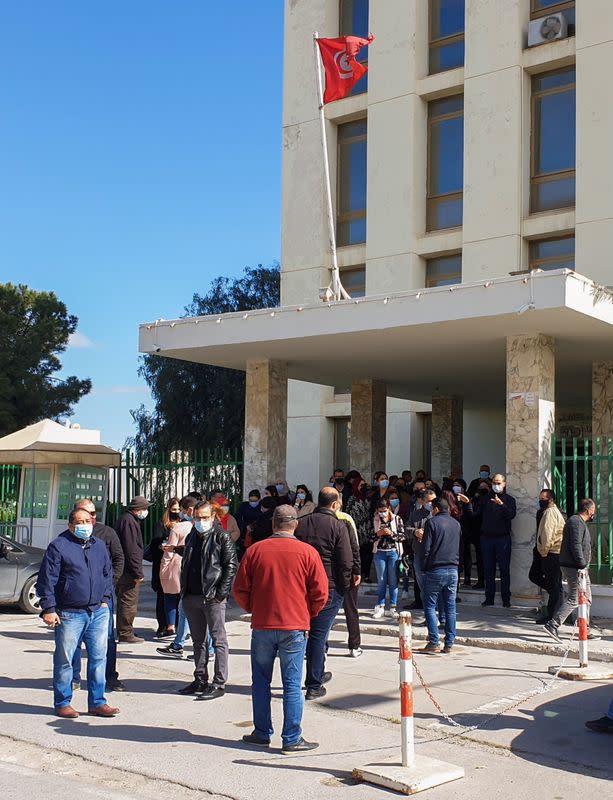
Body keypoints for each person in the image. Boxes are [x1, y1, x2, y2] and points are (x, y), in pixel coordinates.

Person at [233, 505, 328, 753]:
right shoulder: (308, 553)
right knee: (292, 685)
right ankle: (291, 737)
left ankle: (262, 732)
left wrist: (254, 607)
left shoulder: (255, 550)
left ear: (273, 523)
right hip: (295, 626)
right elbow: (320, 593)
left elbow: (240, 588)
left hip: (263, 625)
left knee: (261, 681)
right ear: (295, 524)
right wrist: (309, 614)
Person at [36, 508, 118, 718]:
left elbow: (107, 574)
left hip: (98, 611)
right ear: (71, 525)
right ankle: (63, 702)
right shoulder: (59, 546)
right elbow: (47, 580)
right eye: (79, 522)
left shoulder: (98, 545)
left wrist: (105, 600)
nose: (85, 526)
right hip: (69, 613)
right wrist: (49, 608)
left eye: (88, 521)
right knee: (65, 659)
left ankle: (98, 702)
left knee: (99, 657)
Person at [296, 487, 353, 699]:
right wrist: (343, 586)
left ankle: (316, 673)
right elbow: (346, 561)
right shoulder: (338, 526)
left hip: (304, 585)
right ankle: (313, 684)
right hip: (328, 586)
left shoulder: (301, 523)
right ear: (335, 504)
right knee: (319, 635)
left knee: (310, 633)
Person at [176, 500, 237, 698]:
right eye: (197, 518)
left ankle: (219, 683)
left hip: (212, 597)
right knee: (197, 640)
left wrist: (220, 593)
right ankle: (200, 679)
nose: (201, 521)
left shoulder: (222, 536)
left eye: (205, 517)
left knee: (218, 640)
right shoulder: (193, 535)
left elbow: (230, 566)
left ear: (213, 517)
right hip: (191, 596)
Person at [72, 499, 125, 693]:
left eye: (94, 514)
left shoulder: (107, 533)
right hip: (75, 600)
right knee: (74, 640)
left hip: (103, 599)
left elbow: (119, 559)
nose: (91, 519)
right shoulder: (66, 538)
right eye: (87, 514)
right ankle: (73, 677)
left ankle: (109, 677)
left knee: (107, 640)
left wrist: (109, 585)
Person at [545, 499, 596, 643]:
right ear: (588, 510)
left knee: (587, 598)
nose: (594, 513)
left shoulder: (579, 522)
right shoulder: (575, 522)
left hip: (578, 567)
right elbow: (575, 545)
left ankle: (584, 629)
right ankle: (552, 624)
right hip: (574, 567)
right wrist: (581, 564)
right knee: (575, 598)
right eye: (593, 510)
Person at [418, 498, 461, 655]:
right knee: (450, 607)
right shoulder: (456, 524)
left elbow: (426, 548)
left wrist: (423, 567)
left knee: (429, 605)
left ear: (436, 509)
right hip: (453, 569)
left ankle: (434, 641)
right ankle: (449, 643)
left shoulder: (432, 522)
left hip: (436, 569)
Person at [470, 474, 516, 608]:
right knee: (488, 569)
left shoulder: (509, 499)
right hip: (487, 538)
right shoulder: (485, 499)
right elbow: (475, 514)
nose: (496, 485)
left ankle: (506, 598)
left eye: (499, 482)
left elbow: (511, 515)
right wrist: (468, 503)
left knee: (504, 570)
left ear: (504, 484)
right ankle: (488, 598)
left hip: (503, 539)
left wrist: (501, 505)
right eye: (494, 482)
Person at [115, 495, 150, 643]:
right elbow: (131, 550)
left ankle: (124, 631)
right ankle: (125, 633)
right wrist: (138, 572)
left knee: (125, 601)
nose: (146, 512)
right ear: (138, 510)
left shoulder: (127, 519)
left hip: (125, 569)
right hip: (128, 571)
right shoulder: (129, 522)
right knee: (128, 602)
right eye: (145, 509)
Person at [159, 496, 194, 637]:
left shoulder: (177, 527)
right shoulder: (196, 527)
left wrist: (164, 568)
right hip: (190, 565)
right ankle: (187, 629)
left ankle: (171, 626)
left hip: (175, 565)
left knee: (170, 597)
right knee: (185, 599)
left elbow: (169, 549)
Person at [146, 497, 179, 639]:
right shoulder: (162, 523)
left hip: (177, 565)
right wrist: (163, 546)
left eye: (178, 510)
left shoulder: (183, 523)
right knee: (162, 596)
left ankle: (177, 626)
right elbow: (155, 543)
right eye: (173, 510)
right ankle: (163, 625)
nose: (176, 512)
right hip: (163, 564)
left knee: (177, 597)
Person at [532, 489, 565, 625]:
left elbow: (547, 535)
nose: (540, 501)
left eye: (543, 499)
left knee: (554, 586)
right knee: (552, 585)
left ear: (550, 500)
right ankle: (555, 607)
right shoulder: (549, 512)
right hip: (551, 553)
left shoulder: (550, 513)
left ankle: (553, 615)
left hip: (551, 554)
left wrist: (543, 553)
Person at [335, 507, 362, 657]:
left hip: (326, 572)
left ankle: (321, 647)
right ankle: (354, 646)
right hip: (347, 571)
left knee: (322, 612)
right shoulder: (345, 519)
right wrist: (357, 571)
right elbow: (354, 546)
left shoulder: (313, 519)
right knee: (351, 610)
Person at [371, 498, 404, 620]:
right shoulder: (375, 520)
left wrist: (391, 533)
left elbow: (402, 536)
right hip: (379, 552)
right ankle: (381, 605)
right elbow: (369, 536)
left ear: (389, 508)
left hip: (393, 552)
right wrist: (378, 534)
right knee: (381, 580)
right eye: (380, 511)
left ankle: (393, 607)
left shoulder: (397, 519)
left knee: (393, 580)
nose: (382, 513)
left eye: (384, 510)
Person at [404, 486, 433, 610]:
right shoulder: (415, 514)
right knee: (421, 581)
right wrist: (416, 532)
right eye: (429, 501)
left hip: (434, 554)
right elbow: (406, 529)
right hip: (419, 552)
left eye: (433, 501)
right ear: (422, 501)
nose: (431, 504)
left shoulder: (437, 514)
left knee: (432, 583)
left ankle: (432, 607)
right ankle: (426, 605)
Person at [345, 477, 373, 582]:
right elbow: (349, 513)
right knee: (359, 553)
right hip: (356, 530)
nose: (363, 487)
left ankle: (367, 574)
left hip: (368, 530)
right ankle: (358, 573)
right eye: (361, 485)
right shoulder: (352, 499)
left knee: (368, 554)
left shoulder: (368, 498)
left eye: (364, 484)